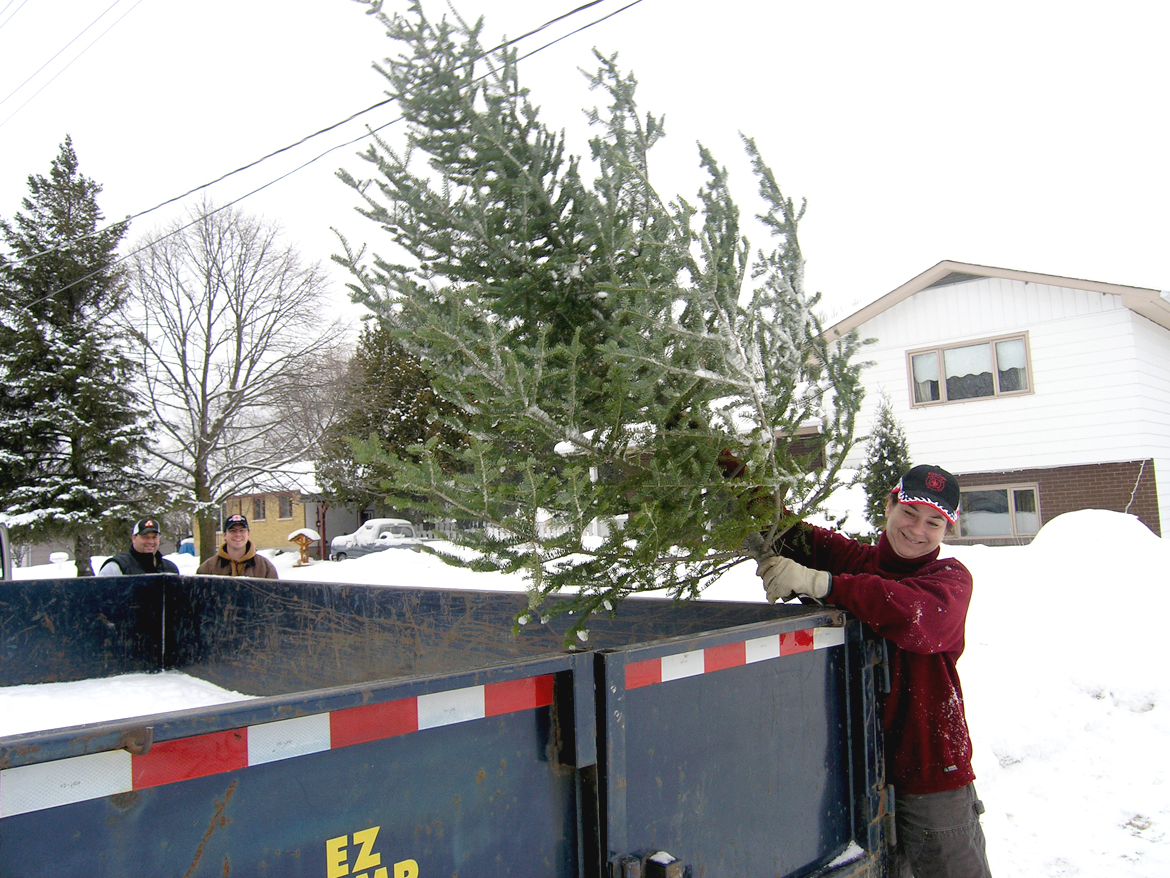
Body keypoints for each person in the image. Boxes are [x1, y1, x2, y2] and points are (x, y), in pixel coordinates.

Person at [755, 464, 992, 878]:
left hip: (931, 775)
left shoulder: (950, 580)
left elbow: (911, 611)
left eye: (934, 522)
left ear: (947, 530)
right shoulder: (857, 562)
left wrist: (823, 584)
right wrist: (706, 446)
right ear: (889, 505)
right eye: (910, 513)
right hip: (858, 775)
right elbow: (786, 526)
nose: (918, 530)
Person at [196, 513, 278, 578]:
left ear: (248, 534)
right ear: (224, 535)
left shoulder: (265, 567)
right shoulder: (208, 568)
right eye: (232, 531)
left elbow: (275, 597)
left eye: (242, 530)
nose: (238, 534)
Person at [97, 518, 180, 576]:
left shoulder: (170, 569)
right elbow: (99, 597)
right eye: (145, 537)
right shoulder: (118, 567)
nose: (150, 542)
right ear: (134, 538)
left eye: (154, 537)